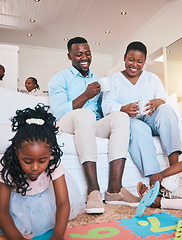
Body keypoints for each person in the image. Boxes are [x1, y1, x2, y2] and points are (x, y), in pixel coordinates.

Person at [0, 104, 84, 239]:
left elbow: (63, 203)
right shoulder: (8, 168)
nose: (35, 167)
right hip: (14, 206)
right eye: (27, 161)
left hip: (43, 203)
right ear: (17, 152)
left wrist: (58, 235)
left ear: (50, 154)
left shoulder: (53, 163)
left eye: (42, 161)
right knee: (1, 224)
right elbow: (1, 211)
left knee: (56, 219)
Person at [48, 37, 140, 214]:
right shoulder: (60, 78)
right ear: (69, 56)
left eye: (87, 53)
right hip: (67, 123)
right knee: (85, 114)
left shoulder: (98, 80)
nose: (84, 57)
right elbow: (58, 113)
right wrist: (85, 95)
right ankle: (93, 190)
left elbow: (104, 111)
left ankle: (115, 189)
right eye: (79, 54)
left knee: (120, 117)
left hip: (91, 123)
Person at [102, 41, 182, 198]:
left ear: (144, 62)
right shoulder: (113, 80)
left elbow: (164, 99)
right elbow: (106, 105)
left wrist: (157, 102)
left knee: (165, 109)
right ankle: (155, 178)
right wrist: (122, 108)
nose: (135, 65)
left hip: (151, 117)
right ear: (124, 58)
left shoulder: (152, 78)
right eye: (131, 60)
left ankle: (174, 170)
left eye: (140, 61)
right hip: (130, 120)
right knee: (138, 128)